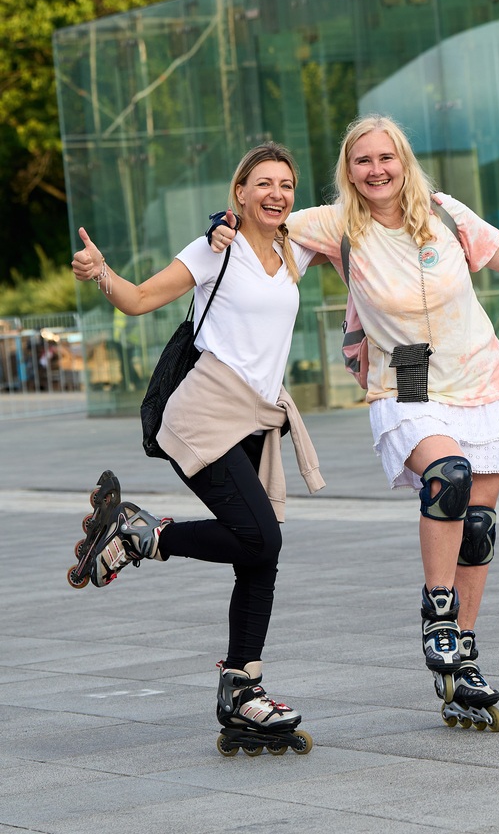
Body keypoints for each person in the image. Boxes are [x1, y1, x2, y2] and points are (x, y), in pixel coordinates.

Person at [209, 114, 499, 732]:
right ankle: (438, 612)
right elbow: (262, 224)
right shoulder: (331, 224)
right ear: (348, 171)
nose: (376, 170)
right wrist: (222, 225)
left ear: (402, 160)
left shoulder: (444, 213)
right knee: (448, 477)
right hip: (406, 377)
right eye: (362, 161)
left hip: (480, 371)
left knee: (480, 526)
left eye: (387, 158)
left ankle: (461, 661)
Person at [70, 142, 325, 756]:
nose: (276, 194)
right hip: (207, 411)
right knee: (263, 538)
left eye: (286, 184)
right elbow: (137, 300)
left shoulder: (300, 245)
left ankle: (242, 688)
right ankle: (143, 536)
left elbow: (360, 221)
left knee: (257, 554)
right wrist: (101, 272)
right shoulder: (216, 248)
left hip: (258, 419)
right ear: (238, 193)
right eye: (262, 183)